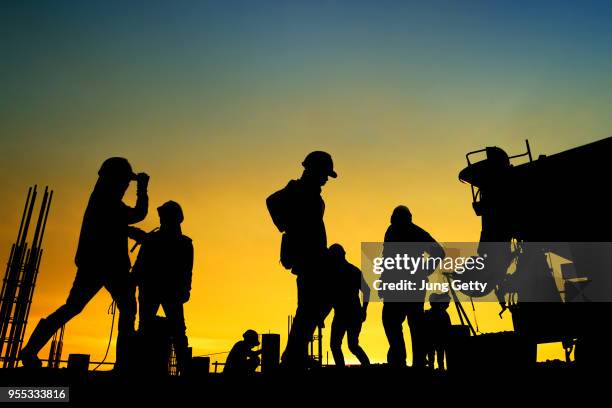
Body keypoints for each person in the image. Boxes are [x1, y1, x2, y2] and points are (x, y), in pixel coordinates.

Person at [19, 157, 148, 370]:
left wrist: (134, 234)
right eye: (125, 181)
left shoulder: (103, 199)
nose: (126, 185)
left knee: (75, 307)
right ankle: (124, 364)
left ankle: (30, 350)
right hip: (107, 266)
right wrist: (142, 189)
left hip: (94, 265)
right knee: (126, 308)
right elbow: (137, 215)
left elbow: (114, 225)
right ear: (115, 180)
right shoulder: (106, 199)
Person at [266, 151, 337, 369]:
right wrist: (288, 226)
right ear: (313, 170)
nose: (326, 179)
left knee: (312, 306)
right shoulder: (298, 188)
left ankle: (295, 352)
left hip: (315, 255)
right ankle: (293, 355)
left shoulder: (313, 193)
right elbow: (271, 201)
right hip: (306, 256)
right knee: (309, 307)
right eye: (324, 173)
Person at [380, 205, 445, 368]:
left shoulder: (416, 232)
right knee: (394, 322)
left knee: (413, 324)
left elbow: (439, 252)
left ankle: (415, 362)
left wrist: (425, 269)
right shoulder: (392, 231)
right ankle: (401, 358)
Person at [133, 200, 193, 375]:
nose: (161, 221)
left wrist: (185, 290)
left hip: (166, 292)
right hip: (154, 290)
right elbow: (140, 264)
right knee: (147, 328)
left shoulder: (181, 243)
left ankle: (183, 369)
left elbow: (187, 270)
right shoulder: (155, 240)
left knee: (177, 331)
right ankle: (140, 368)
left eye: (164, 217)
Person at [328, 244, 370, 367]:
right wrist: (364, 310)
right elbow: (367, 290)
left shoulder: (339, 273)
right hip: (348, 314)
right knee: (349, 345)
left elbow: (367, 290)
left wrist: (364, 309)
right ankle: (365, 366)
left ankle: (365, 366)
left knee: (342, 345)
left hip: (348, 314)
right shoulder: (353, 271)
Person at [424, 292, 451, 370]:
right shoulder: (443, 314)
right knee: (435, 358)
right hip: (436, 339)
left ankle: (438, 369)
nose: (448, 305)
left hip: (436, 340)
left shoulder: (430, 313)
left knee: (436, 358)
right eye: (446, 303)